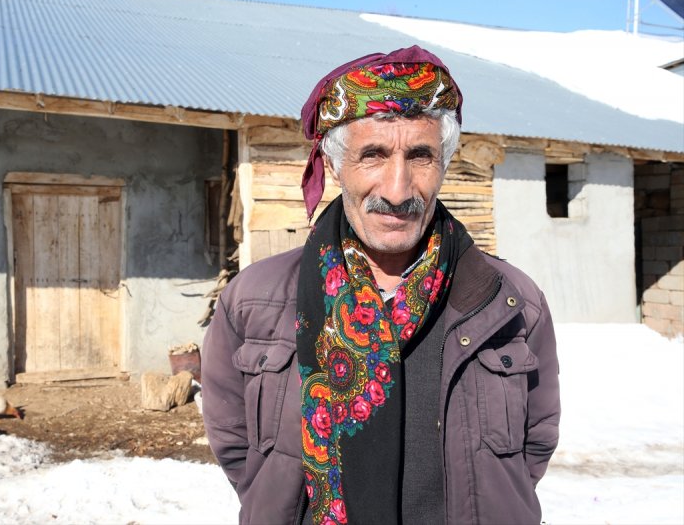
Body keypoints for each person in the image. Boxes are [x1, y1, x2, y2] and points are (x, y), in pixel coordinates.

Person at [201, 45, 560, 525]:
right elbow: (238, 448)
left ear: (444, 163)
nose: (397, 189)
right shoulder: (254, 301)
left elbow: (533, 445)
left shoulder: (509, 301)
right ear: (333, 166)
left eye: (421, 156)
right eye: (372, 155)